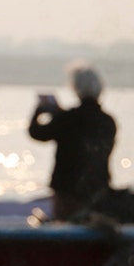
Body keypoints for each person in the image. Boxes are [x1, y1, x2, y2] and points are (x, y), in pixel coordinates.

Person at [27, 63, 116, 220]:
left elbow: (37, 133)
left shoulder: (67, 119)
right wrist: (61, 115)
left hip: (67, 190)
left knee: (65, 224)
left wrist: (39, 111)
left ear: (76, 89)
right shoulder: (108, 121)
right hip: (99, 190)